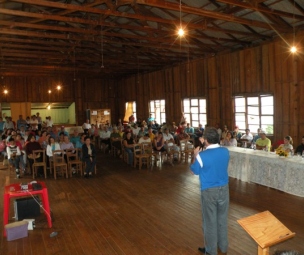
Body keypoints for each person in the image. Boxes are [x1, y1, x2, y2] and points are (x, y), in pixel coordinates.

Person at [190, 127, 230, 255]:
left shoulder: (202, 155)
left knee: (209, 222)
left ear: (205, 140)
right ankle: (223, 247)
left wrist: (195, 155)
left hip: (209, 190)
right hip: (224, 189)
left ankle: (211, 251)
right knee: (222, 219)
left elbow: (194, 171)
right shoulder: (225, 151)